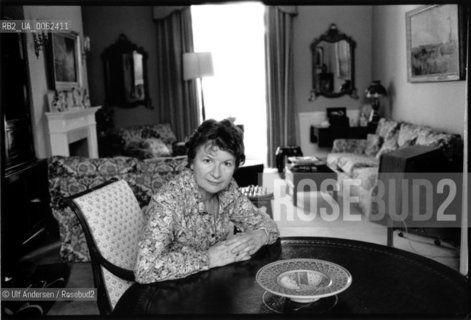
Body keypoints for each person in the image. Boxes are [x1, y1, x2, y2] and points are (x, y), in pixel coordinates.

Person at [134, 119, 279, 284]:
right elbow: (144, 270)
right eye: (208, 161)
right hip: (171, 292)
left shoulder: (229, 190)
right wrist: (209, 258)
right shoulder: (167, 202)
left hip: (211, 285)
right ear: (192, 162)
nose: (216, 174)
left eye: (226, 163)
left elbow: (270, 227)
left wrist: (259, 235)